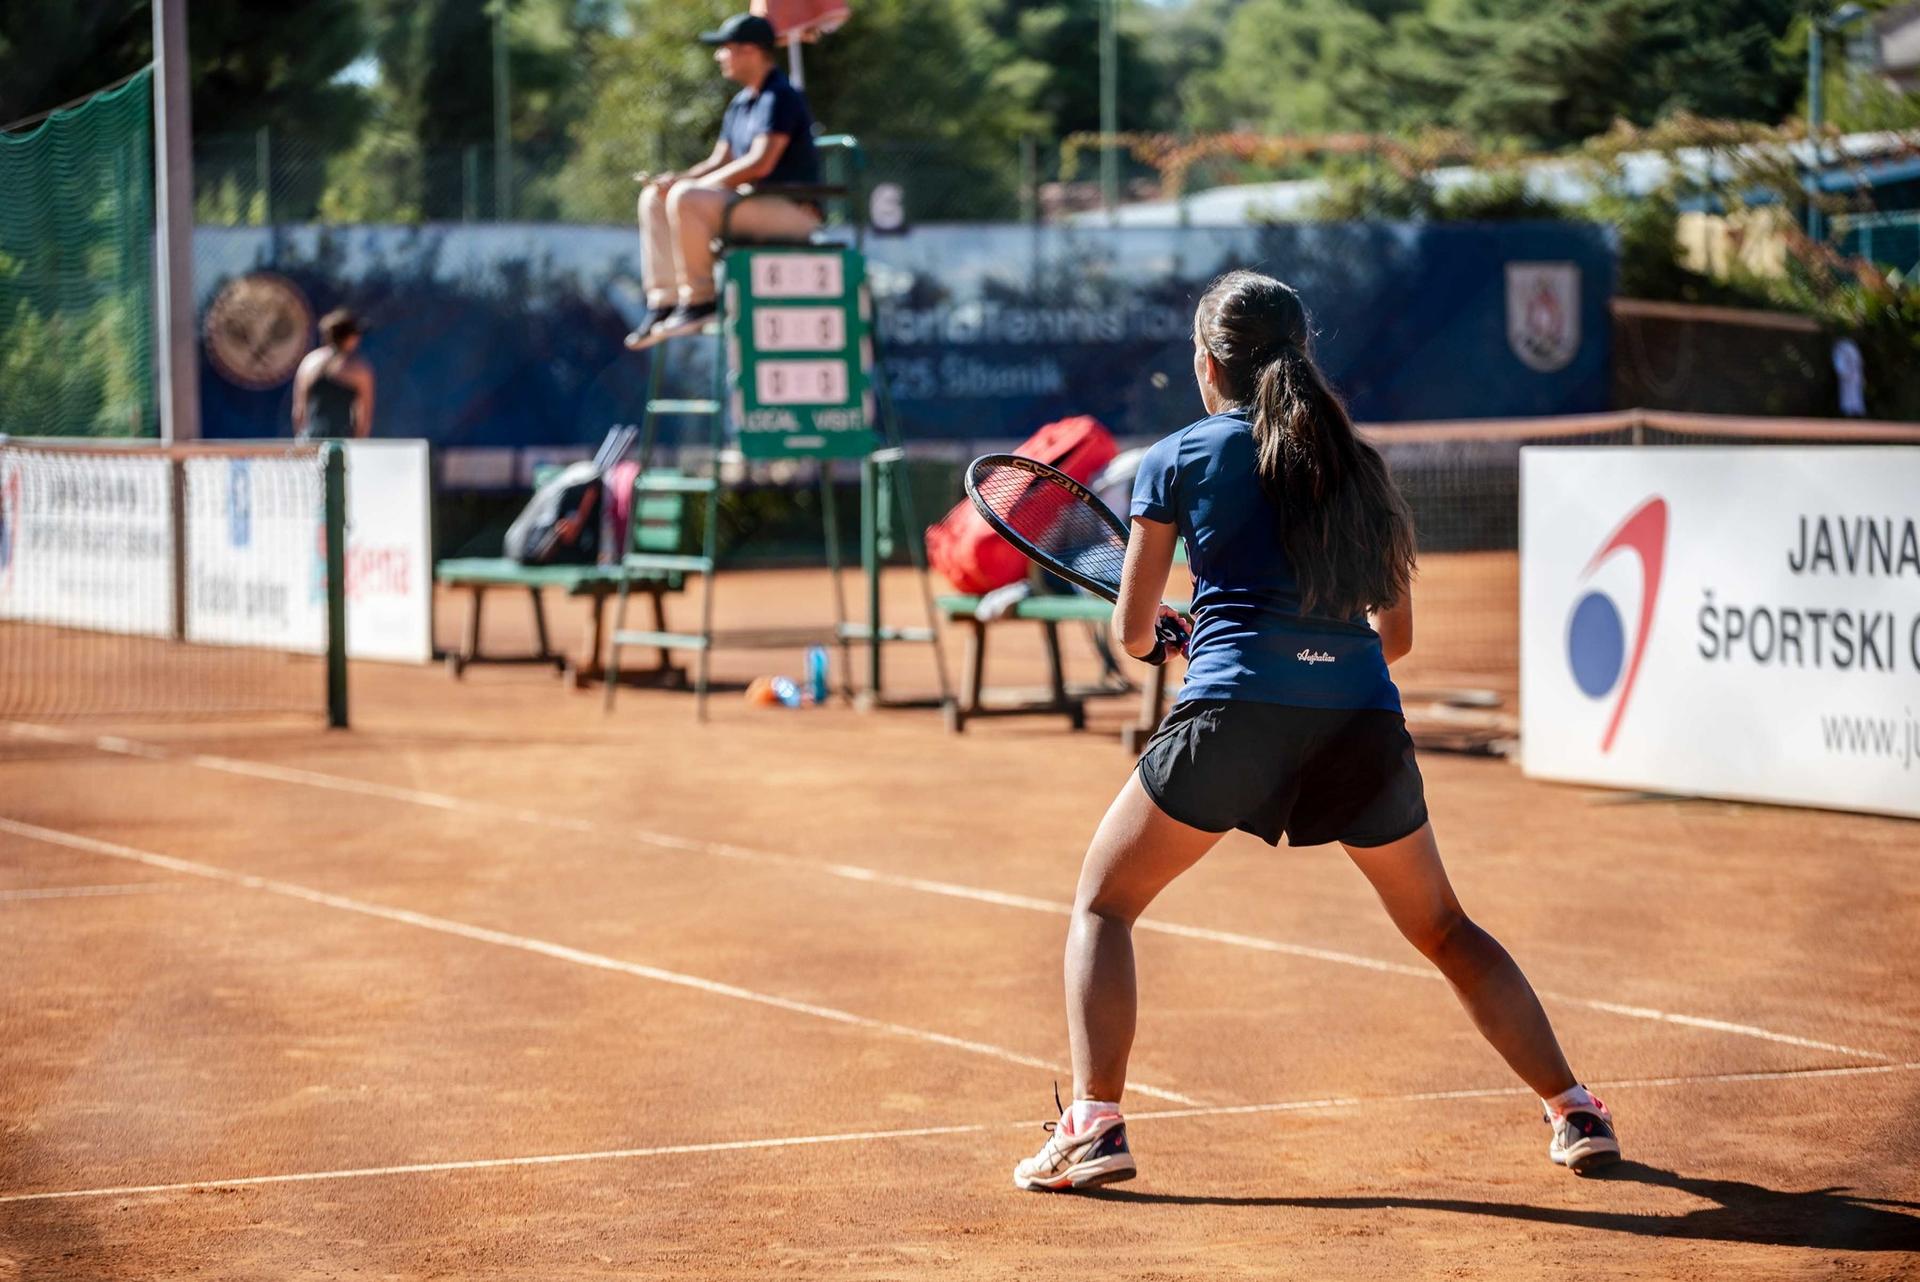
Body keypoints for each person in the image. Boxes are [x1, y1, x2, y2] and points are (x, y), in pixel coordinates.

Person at [1012, 270, 1620, 1193]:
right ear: (1298, 354)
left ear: (1208, 363)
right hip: (1359, 724)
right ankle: (1574, 1108)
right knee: (1447, 929)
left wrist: (1187, 637)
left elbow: (1133, 633)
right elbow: (1397, 638)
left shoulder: (1173, 458)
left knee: (1104, 905)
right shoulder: (1358, 464)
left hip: (1232, 716)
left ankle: (1095, 1126)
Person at [625, 12, 821, 351]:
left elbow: (761, 162)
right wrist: (678, 180)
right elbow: (720, 161)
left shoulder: (781, 96)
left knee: (686, 198)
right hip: (750, 206)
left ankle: (701, 301)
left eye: (725, 48)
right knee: (655, 198)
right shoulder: (741, 103)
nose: (719, 56)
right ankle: (665, 303)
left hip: (792, 213)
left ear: (751, 51)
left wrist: (696, 188)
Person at [292, 309, 374, 440]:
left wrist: (301, 441)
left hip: (311, 438)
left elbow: (298, 410)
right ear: (349, 338)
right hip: (343, 442)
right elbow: (364, 415)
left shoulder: (309, 362)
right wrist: (358, 444)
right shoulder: (358, 369)